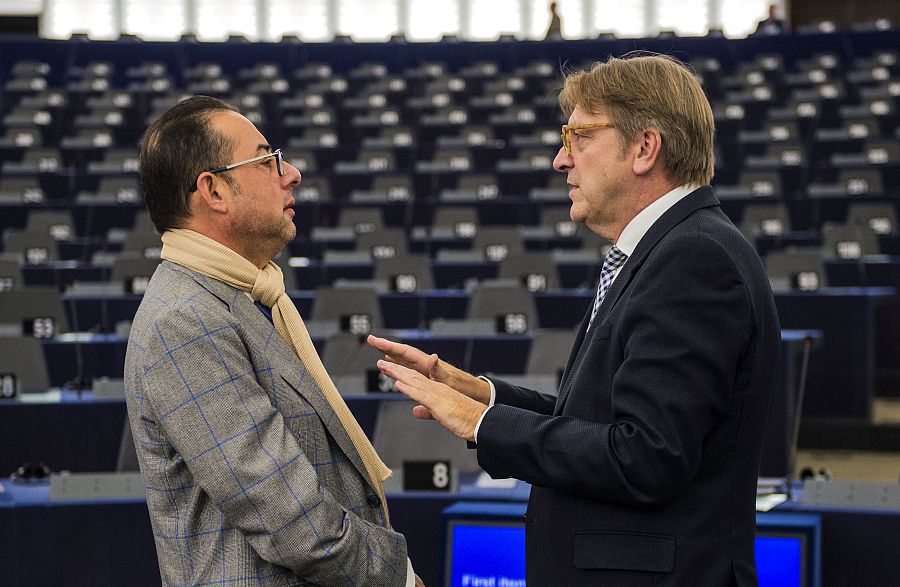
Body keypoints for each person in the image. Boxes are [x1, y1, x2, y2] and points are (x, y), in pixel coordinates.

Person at [370, 53, 780, 585]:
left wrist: (482, 425)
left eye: (579, 137)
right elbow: (604, 422)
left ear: (643, 148)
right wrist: (480, 397)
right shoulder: (666, 250)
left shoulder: (693, 259)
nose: (560, 160)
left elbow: (645, 457)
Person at [124, 96, 420, 587]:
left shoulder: (242, 296)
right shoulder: (187, 320)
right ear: (214, 191)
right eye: (267, 160)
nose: (292, 173)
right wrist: (400, 579)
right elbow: (292, 521)